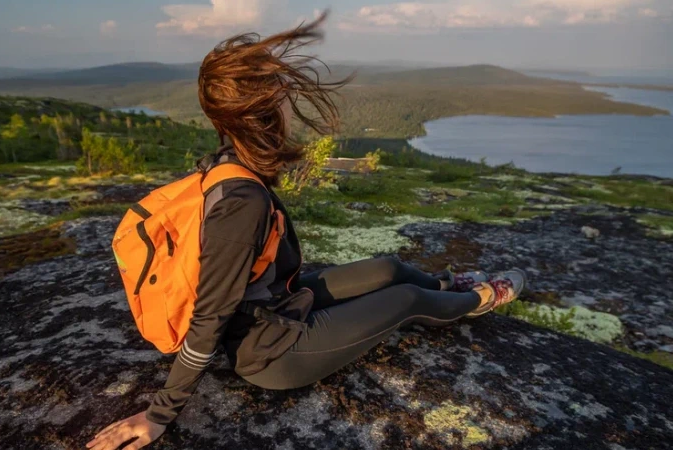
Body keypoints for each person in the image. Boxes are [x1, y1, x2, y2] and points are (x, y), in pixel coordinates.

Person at [86, 12, 526, 450]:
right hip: (273, 352)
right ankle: (475, 301)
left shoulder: (225, 163)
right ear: (260, 114)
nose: (287, 104)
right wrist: (159, 415)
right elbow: (209, 317)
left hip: (276, 304)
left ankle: (447, 286)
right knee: (404, 300)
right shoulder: (242, 205)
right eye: (280, 96)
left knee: (389, 269)